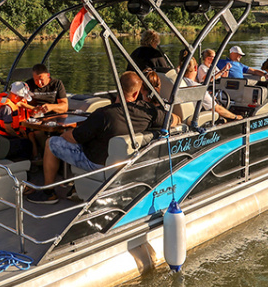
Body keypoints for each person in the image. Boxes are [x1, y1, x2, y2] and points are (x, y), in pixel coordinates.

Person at [30, 71, 180, 204]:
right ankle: (73, 188)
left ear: (118, 90)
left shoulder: (103, 114)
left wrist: (64, 133)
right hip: (126, 162)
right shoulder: (149, 111)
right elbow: (175, 119)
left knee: (52, 142)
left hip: (96, 163)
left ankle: (48, 193)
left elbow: (75, 137)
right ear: (136, 93)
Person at [178, 51, 243, 121]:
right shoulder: (198, 88)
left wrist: (226, 70)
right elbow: (217, 108)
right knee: (219, 116)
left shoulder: (180, 82)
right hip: (192, 118)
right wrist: (235, 117)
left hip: (183, 114)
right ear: (196, 68)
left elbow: (222, 77)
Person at [0, 82, 36, 159]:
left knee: (28, 137)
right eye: (22, 97)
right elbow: (8, 129)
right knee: (27, 144)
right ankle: (24, 165)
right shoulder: (7, 108)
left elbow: (20, 105)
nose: (23, 99)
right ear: (16, 96)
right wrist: (19, 137)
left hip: (5, 135)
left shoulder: (9, 100)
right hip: (2, 138)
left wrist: (19, 129)